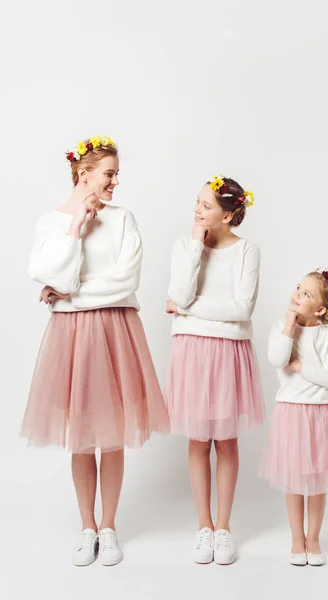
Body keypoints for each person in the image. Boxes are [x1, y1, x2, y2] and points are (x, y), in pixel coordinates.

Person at [21, 136, 169, 566]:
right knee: (82, 437)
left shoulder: (124, 219)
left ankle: (109, 525)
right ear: (84, 174)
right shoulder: (50, 223)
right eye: (109, 174)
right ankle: (88, 527)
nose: (115, 182)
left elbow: (127, 283)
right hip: (71, 339)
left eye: (117, 174)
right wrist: (74, 230)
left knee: (112, 435)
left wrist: (67, 294)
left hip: (116, 333)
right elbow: (45, 271)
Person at [165, 175, 264, 565]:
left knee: (225, 440)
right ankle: (203, 526)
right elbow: (183, 289)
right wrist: (194, 247)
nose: (197, 210)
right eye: (197, 202)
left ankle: (224, 527)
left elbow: (241, 310)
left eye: (206, 206)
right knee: (198, 439)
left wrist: (186, 309)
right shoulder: (184, 246)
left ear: (228, 215)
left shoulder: (247, 251)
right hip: (192, 349)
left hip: (228, 353)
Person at [259, 269, 328, 566]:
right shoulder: (281, 329)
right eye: (298, 288)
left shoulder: (326, 337)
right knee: (295, 482)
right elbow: (277, 358)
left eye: (306, 294)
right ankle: (297, 538)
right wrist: (288, 326)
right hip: (291, 412)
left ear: (321, 309)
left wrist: (300, 368)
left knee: (317, 482)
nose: (297, 294)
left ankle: (314, 538)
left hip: (320, 414)